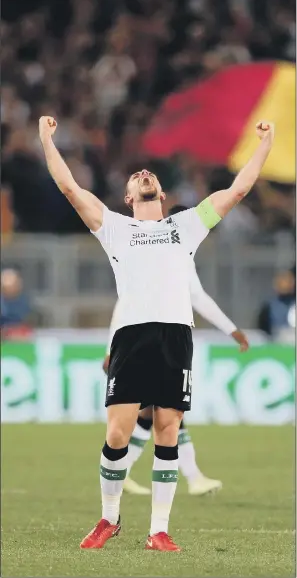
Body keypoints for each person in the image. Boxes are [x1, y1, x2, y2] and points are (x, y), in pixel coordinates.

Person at [39, 115, 274, 552]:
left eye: (150, 175)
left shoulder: (185, 226)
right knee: (117, 435)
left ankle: (159, 530)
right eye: (136, 176)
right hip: (131, 335)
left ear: (161, 194)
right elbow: (70, 188)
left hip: (175, 336)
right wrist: (46, 140)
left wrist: (265, 144)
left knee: (168, 429)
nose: (143, 175)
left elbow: (237, 189)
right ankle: (109, 519)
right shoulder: (113, 226)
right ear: (129, 196)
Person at [103, 205, 249, 497]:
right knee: (161, 415)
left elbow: (195, 296)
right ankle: (189, 477)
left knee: (155, 416)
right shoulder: (169, 250)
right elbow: (131, 302)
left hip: (156, 343)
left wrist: (231, 329)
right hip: (151, 343)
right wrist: (112, 347)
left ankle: (150, 473)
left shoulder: (172, 252)